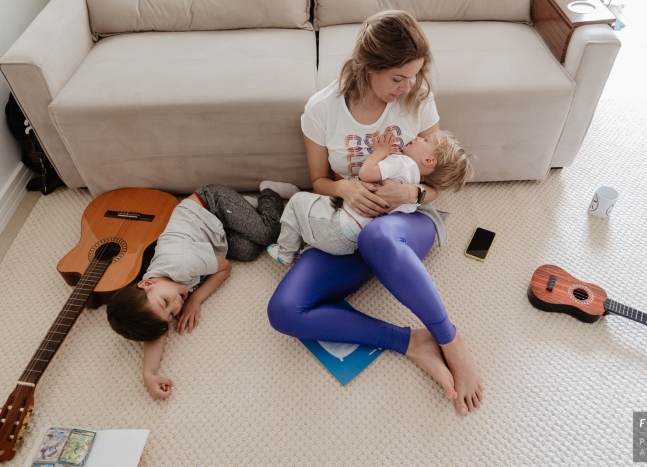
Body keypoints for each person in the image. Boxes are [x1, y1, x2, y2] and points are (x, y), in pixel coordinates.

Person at [267, 10, 484, 415]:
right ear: (369, 68)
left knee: (378, 238)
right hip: (346, 224)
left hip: (403, 226)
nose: (407, 88)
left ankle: (451, 340)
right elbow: (317, 182)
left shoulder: (418, 98)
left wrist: (414, 190)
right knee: (283, 312)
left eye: (414, 76)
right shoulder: (321, 110)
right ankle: (410, 341)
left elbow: (440, 177)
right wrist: (344, 187)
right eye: (397, 78)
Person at [107, 181, 298, 399]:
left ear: (147, 283)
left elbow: (225, 268)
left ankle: (269, 191)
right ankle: (245, 212)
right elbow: (156, 332)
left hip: (210, 204)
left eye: (166, 303)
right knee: (250, 252)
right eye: (171, 315)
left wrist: (195, 299)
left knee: (268, 234)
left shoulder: (181, 263)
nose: (177, 305)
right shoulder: (156, 294)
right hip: (214, 237)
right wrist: (148, 374)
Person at [267, 130, 472, 264]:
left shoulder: (403, 163)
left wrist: (381, 151)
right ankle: (298, 206)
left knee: (295, 204)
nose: (419, 137)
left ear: (428, 160)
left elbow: (367, 173)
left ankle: (285, 253)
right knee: (313, 204)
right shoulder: (413, 188)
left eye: (426, 140)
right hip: (353, 242)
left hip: (336, 228)